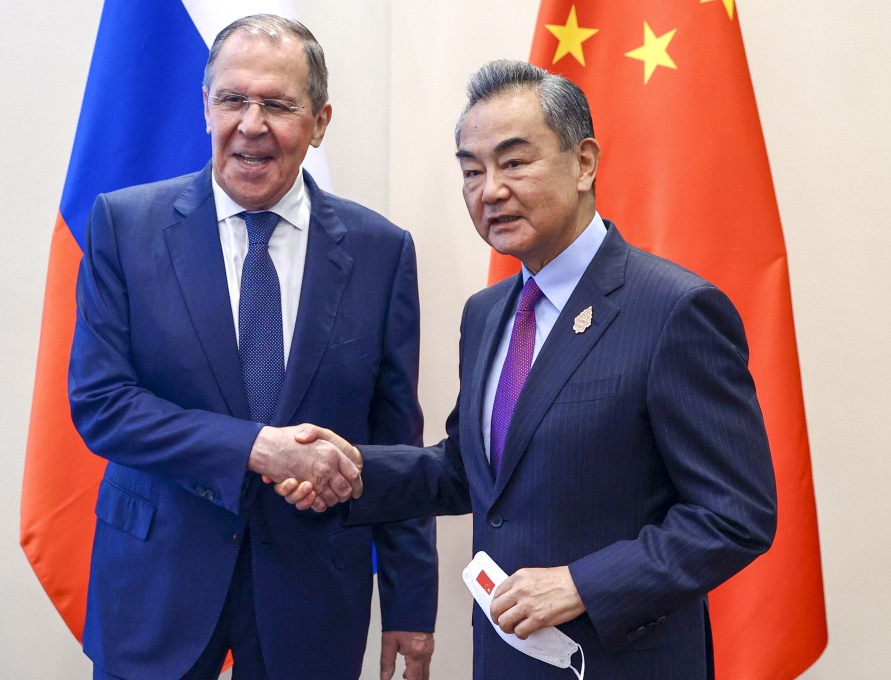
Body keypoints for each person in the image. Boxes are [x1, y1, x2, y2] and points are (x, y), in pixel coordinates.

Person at [278, 60, 778, 679]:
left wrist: (584, 584)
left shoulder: (673, 310)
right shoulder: (487, 314)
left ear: (585, 163)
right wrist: (351, 469)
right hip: (505, 659)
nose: (490, 190)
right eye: (471, 171)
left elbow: (736, 515)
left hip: (621, 663)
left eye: (514, 162)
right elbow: (474, 470)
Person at [68, 15, 437, 680]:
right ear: (205, 106)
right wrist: (254, 448)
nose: (251, 123)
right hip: (158, 584)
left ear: (320, 121)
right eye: (233, 99)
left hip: (312, 594)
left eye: (277, 104)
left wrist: (411, 603)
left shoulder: (383, 251)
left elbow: (395, 445)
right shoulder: (125, 227)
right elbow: (102, 405)